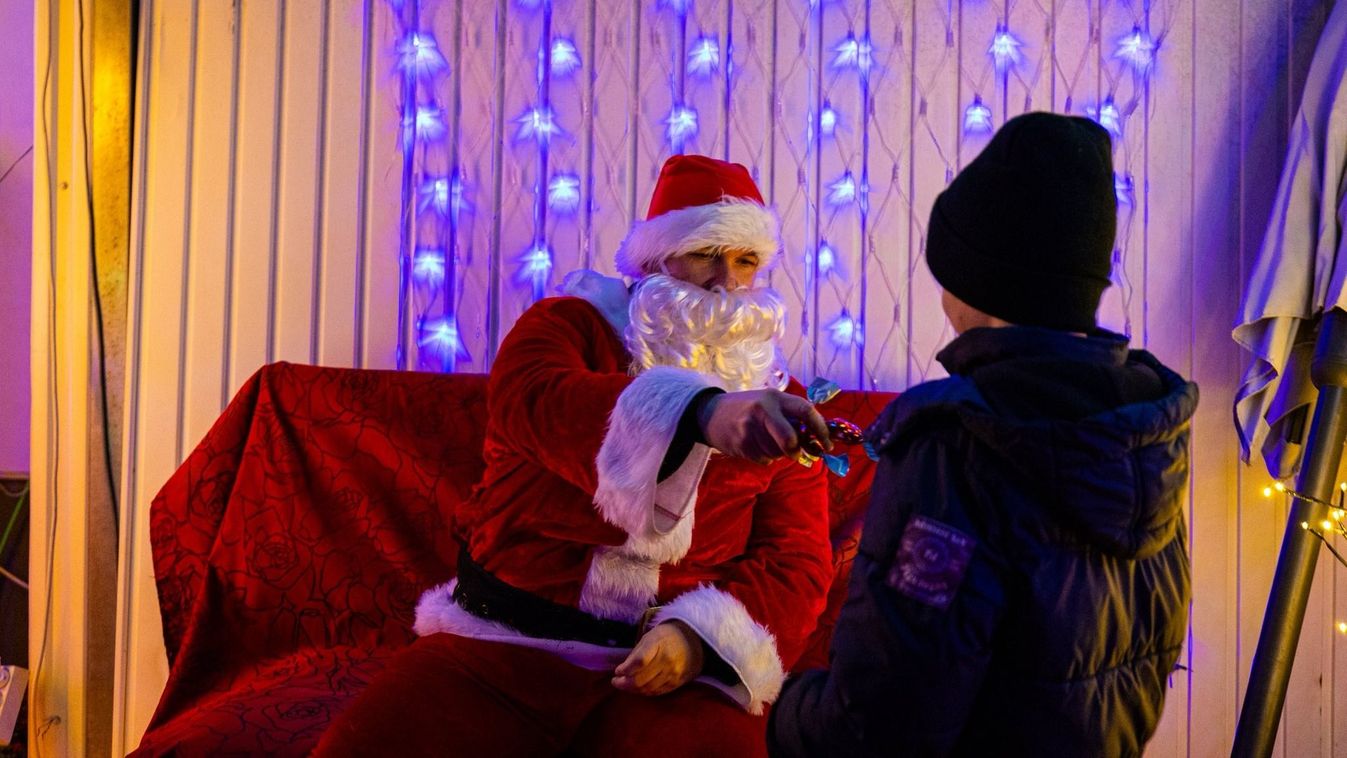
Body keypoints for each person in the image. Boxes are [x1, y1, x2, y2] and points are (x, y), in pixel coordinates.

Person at [316, 155, 835, 757]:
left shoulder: (781, 400)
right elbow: (533, 401)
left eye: (744, 261)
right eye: (702, 253)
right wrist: (700, 413)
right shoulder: (564, 328)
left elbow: (796, 559)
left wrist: (699, 640)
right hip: (498, 646)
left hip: (671, 670)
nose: (724, 281)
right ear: (652, 260)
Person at [768, 112, 1198, 757]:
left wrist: (779, 706)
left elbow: (880, 727)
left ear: (976, 277)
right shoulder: (1144, 434)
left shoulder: (955, 447)